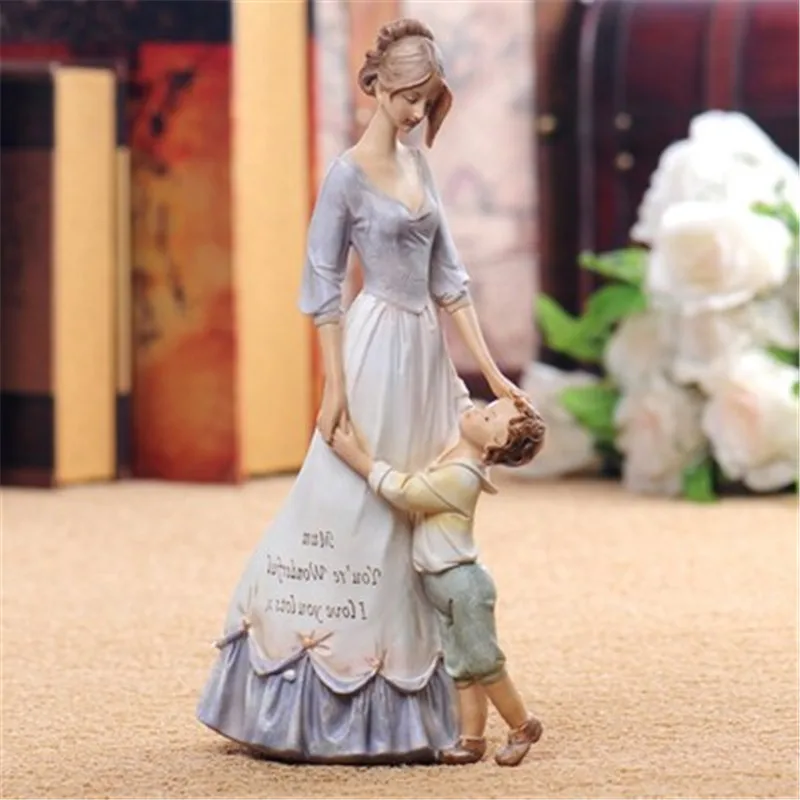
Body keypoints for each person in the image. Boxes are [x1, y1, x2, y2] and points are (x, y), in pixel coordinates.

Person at [196, 18, 527, 765]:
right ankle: (325, 673)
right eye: (407, 97)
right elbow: (322, 283)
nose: (414, 112)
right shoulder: (347, 175)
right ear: (377, 84)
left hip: (424, 352)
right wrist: (335, 382)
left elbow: (450, 281)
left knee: (422, 498)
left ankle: (438, 693)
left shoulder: (420, 165)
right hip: (375, 342)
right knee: (358, 496)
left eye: (426, 100)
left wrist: (492, 371)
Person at [330, 396, 547, 767]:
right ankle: (471, 738)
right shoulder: (456, 458)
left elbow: (405, 492)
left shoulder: (462, 477)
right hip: (442, 585)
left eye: (489, 417)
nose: (478, 410)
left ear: (494, 443)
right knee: (461, 667)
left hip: (463, 585)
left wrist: (358, 459)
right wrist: (491, 376)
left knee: (484, 661)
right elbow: (459, 397)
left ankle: (522, 725)